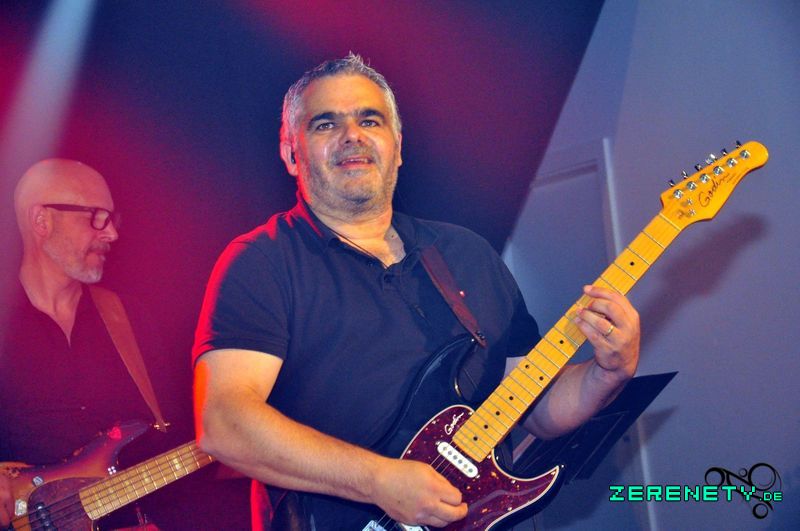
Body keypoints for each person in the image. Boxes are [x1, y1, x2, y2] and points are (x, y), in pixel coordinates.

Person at [192, 54, 640, 529]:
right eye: (326, 124)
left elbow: (533, 408)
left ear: (398, 146)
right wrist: (377, 481)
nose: (352, 135)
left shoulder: (467, 253)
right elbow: (224, 424)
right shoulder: (262, 262)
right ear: (290, 153)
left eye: (370, 120)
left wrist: (609, 371)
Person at [0, 159, 162, 529]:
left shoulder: (130, 319)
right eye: (96, 217)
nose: (111, 234)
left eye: (112, 219)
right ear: (41, 221)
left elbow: (170, 435)